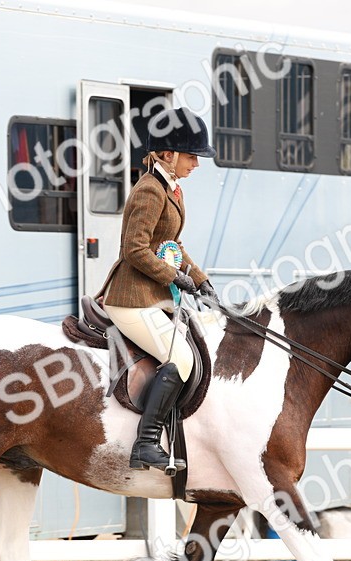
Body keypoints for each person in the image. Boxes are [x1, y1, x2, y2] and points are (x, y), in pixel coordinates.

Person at [99, 108, 216, 473]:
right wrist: (174, 276)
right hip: (131, 299)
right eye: (191, 156)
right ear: (168, 153)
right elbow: (134, 249)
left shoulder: (171, 189)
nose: (196, 163)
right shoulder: (150, 190)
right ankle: (146, 443)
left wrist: (200, 279)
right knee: (181, 358)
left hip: (153, 298)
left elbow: (171, 244)